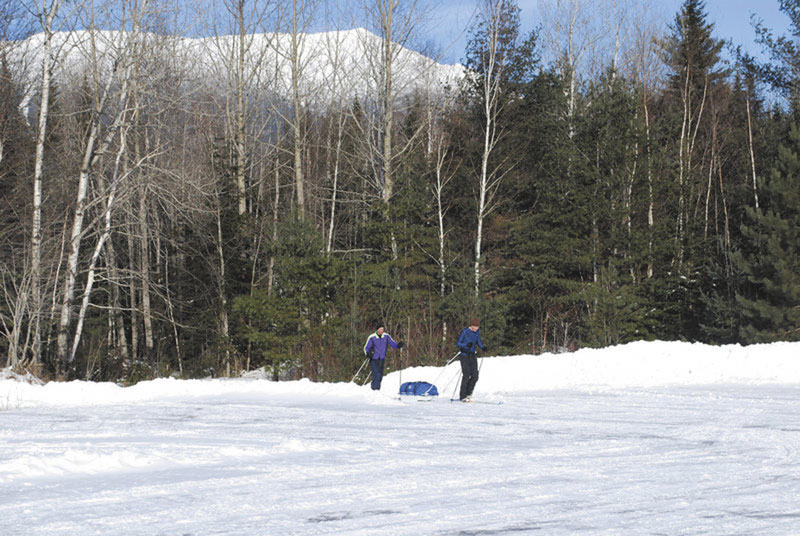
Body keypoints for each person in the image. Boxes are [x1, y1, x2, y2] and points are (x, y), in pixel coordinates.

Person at [363, 323, 403, 390]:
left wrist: (398, 345)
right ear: (377, 329)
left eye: (382, 329)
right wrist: (367, 354)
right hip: (374, 358)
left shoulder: (386, 336)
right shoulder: (372, 337)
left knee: (380, 375)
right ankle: (375, 390)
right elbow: (366, 348)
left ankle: (376, 389)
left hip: (382, 358)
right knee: (376, 374)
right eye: (380, 329)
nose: (382, 331)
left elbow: (392, 343)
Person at [456, 318, 486, 401]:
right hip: (464, 355)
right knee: (466, 375)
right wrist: (466, 345)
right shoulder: (465, 332)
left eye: (477, 327)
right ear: (471, 325)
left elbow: (478, 341)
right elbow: (458, 343)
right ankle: (462, 396)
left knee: (475, 376)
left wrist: (483, 347)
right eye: (474, 327)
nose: (476, 328)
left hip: (472, 355)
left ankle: (468, 393)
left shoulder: (477, 332)